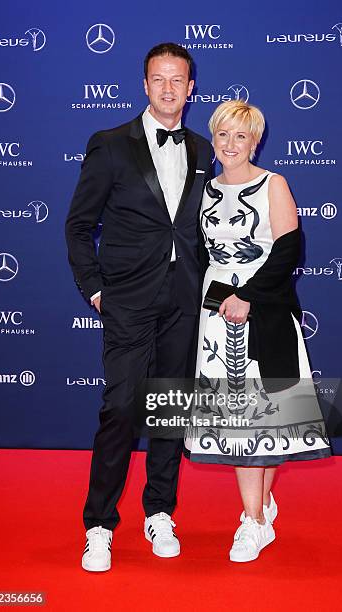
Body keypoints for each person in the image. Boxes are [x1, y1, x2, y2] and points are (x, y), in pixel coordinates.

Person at [65, 42, 212, 571]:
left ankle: (160, 511)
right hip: (126, 299)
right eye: (159, 79)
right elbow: (79, 226)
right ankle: (99, 524)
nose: (169, 88)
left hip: (184, 300)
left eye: (178, 80)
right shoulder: (109, 145)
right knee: (122, 408)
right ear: (144, 86)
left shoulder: (201, 147)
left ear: (191, 89)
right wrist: (95, 288)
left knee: (170, 407)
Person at [184, 99, 331, 562]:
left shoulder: (274, 184)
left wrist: (248, 296)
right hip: (214, 317)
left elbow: (288, 251)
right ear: (213, 137)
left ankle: (253, 520)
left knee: (262, 419)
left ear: (256, 141)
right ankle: (259, 511)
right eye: (223, 134)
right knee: (239, 421)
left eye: (241, 136)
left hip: (264, 312)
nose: (231, 144)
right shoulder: (202, 190)